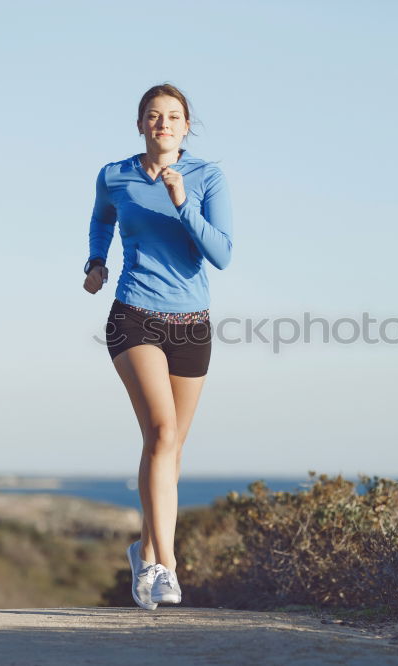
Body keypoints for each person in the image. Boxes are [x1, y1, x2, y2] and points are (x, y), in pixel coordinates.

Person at [82, 83, 233, 610]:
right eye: (153, 116)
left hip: (192, 324)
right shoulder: (115, 175)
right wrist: (96, 261)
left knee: (168, 447)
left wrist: (182, 202)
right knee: (163, 433)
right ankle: (163, 566)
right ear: (141, 124)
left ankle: (142, 550)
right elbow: (102, 218)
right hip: (134, 315)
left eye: (172, 116)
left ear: (186, 126)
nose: (163, 124)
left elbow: (222, 254)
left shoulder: (208, 177)